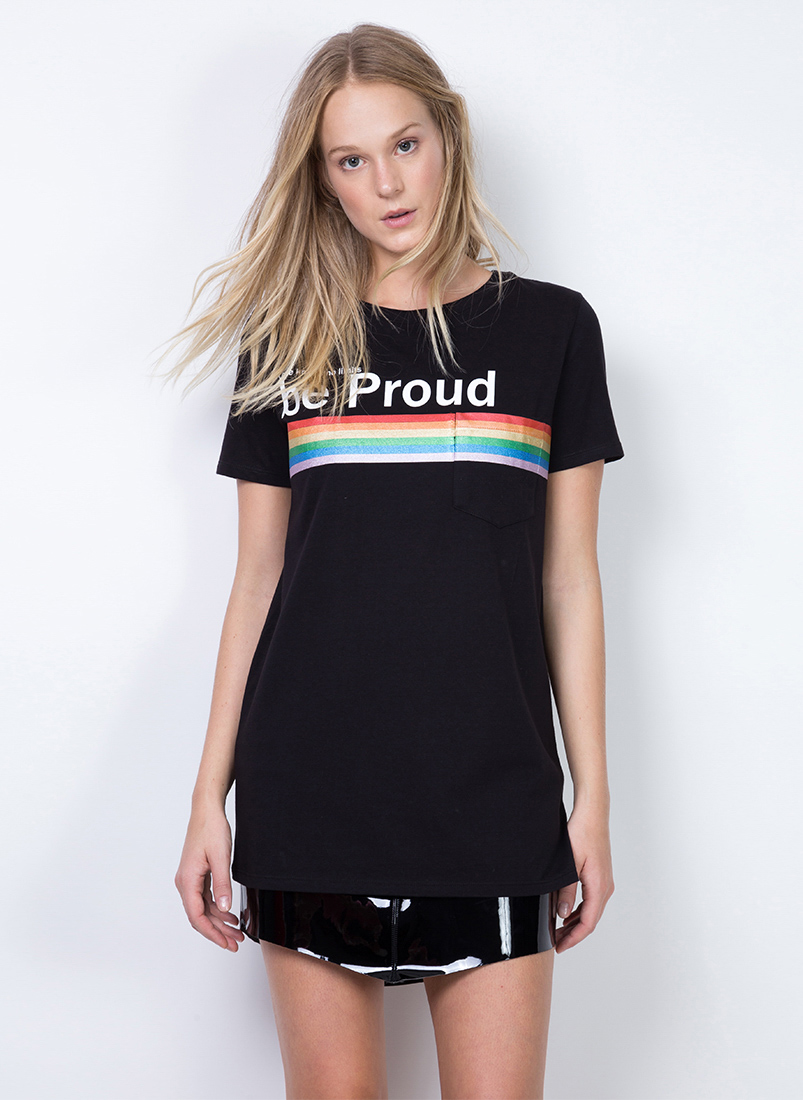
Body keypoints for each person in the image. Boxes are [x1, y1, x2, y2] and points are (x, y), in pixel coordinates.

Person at [166, 21, 624, 1100]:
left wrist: (591, 800)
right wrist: (205, 801)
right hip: (309, 792)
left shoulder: (551, 330)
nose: (386, 184)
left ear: (447, 136)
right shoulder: (286, 340)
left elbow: (568, 577)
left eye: (405, 144)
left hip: (492, 798)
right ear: (322, 178)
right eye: (351, 159)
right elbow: (258, 580)